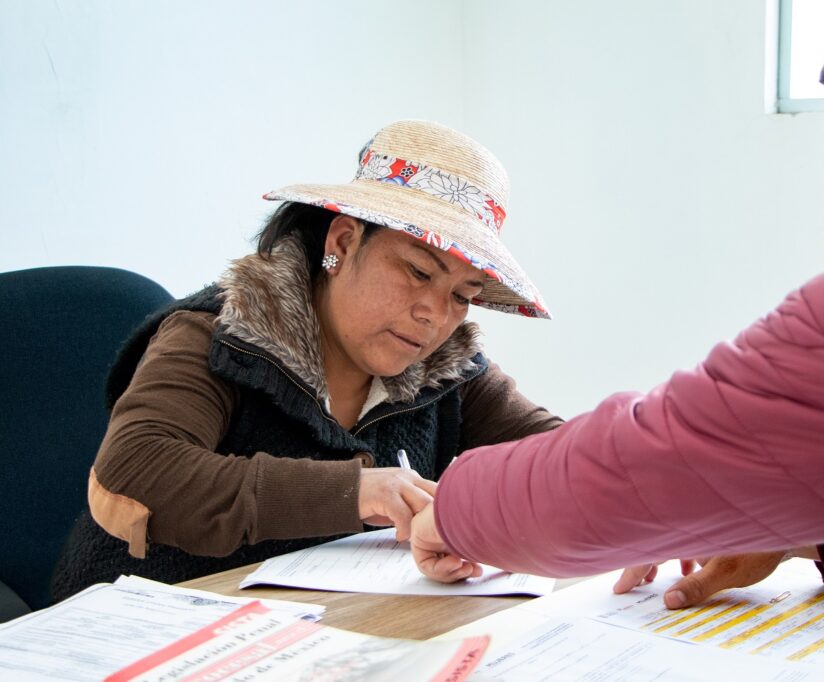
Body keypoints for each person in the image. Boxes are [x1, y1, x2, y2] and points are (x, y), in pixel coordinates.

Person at [409, 1, 824, 678]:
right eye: (413, 272)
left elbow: (659, 455)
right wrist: (821, 539)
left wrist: (463, 507)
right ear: (341, 245)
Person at [50, 119, 563, 600]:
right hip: (143, 627)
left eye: (462, 294)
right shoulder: (222, 332)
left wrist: (633, 522)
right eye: (417, 271)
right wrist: (357, 491)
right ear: (343, 242)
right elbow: (136, 470)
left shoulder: (447, 367)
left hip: (320, 635)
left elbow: (559, 455)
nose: (434, 315)